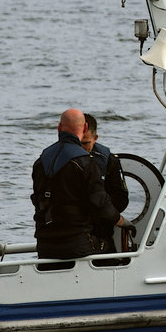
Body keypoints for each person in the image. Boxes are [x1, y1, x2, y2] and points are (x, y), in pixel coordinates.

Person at [31, 108, 131, 264]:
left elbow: (37, 200)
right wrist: (122, 222)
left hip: (44, 246)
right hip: (78, 245)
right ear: (85, 128)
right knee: (111, 252)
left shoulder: (41, 161)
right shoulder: (86, 163)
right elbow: (100, 202)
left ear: (59, 127)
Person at [82, 113, 131, 253]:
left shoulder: (108, 161)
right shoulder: (66, 160)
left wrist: (104, 212)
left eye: (86, 143)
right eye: (79, 143)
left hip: (101, 229)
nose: (82, 148)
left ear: (95, 138)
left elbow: (121, 199)